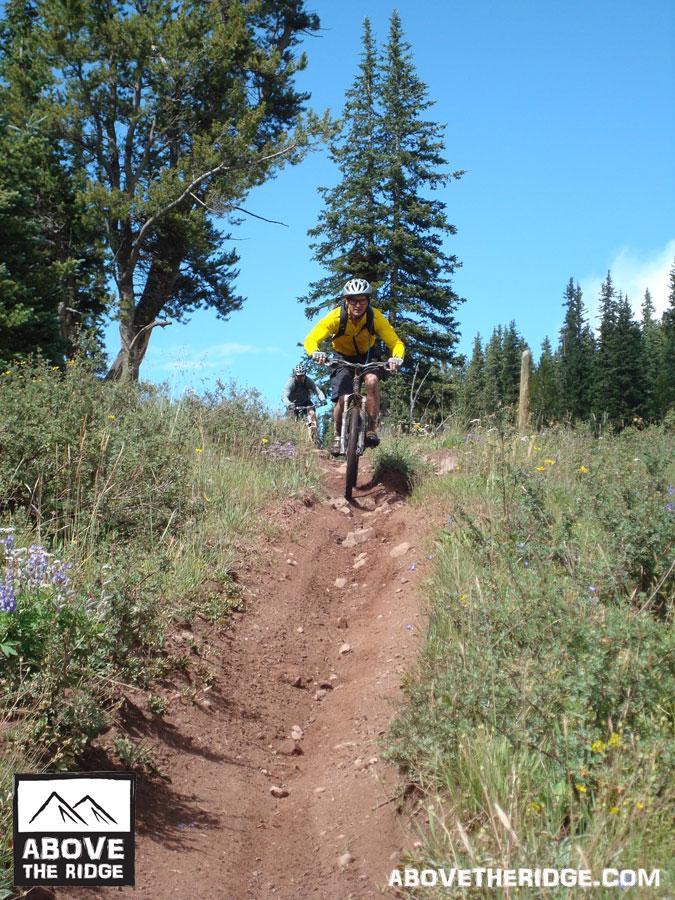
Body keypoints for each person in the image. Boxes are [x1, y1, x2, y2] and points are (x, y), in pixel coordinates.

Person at [303, 278, 404, 454]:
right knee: (343, 398)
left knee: (372, 381)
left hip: (367, 356)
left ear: (368, 301)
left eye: (362, 300)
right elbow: (312, 338)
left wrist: (396, 358)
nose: (358, 305)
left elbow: (395, 342)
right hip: (342, 357)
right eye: (353, 301)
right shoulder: (336, 317)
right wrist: (315, 352)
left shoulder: (375, 317)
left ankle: (371, 429)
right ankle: (336, 435)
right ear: (346, 301)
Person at [281, 363, 326, 434]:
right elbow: (284, 396)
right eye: (298, 376)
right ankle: (295, 436)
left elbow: (318, 391)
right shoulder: (290, 383)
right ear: (295, 375)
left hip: (306, 402)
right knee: (292, 423)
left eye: (302, 375)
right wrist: (289, 404)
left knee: (311, 413)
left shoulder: (308, 381)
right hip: (293, 404)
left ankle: (314, 433)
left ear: (305, 374)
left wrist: (323, 399)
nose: (300, 378)